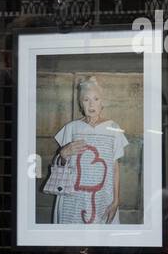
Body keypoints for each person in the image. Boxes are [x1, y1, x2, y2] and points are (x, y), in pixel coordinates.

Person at [50, 75, 128, 224]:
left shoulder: (113, 128)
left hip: (102, 197)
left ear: (102, 102)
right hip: (72, 198)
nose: (91, 104)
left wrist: (116, 200)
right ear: (81, 104)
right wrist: (63, 154)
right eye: (86, 100)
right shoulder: (71, 128)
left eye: (96, 99)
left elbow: (115, 167)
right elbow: (60, 162)